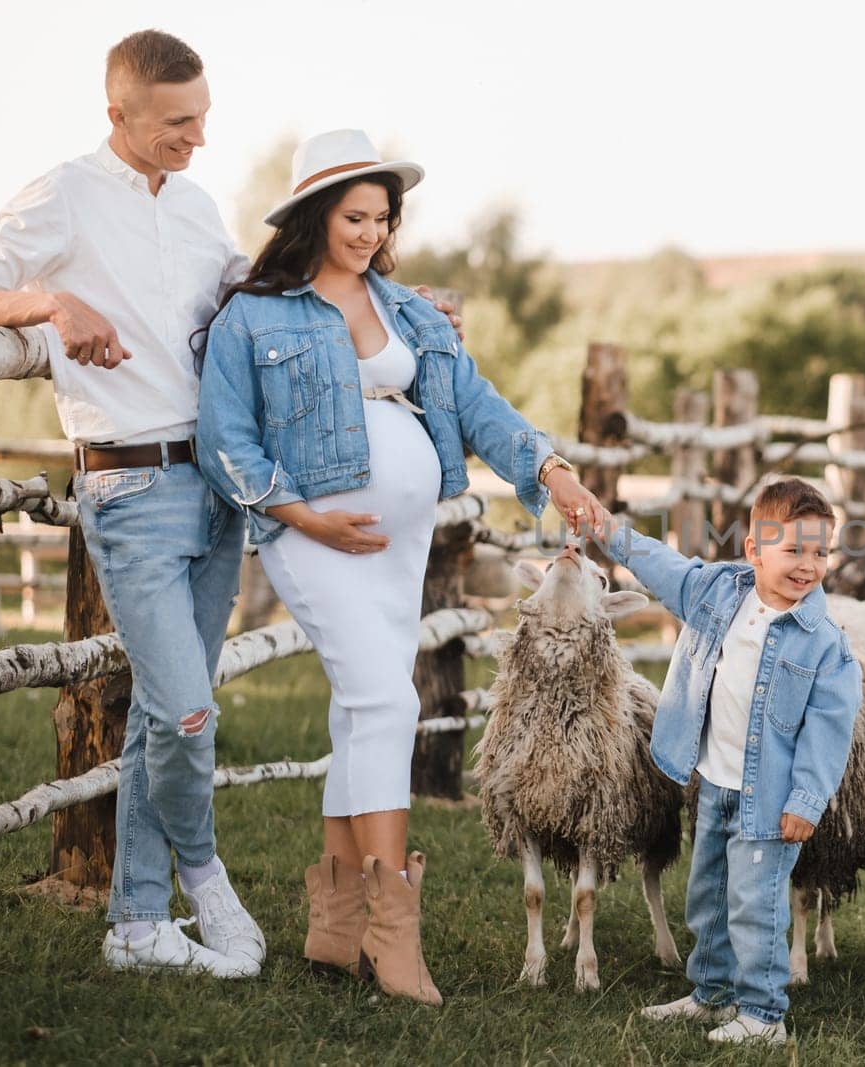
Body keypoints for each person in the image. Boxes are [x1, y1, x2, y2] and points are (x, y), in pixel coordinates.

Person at [194, 128, 609, 1006]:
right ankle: (394, 930)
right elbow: (223, 436)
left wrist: (550, 469)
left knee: (362, 710)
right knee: (389, 699)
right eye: (354, 216)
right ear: (313, 213)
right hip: (311, 534)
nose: (370, 234)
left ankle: (336, 926)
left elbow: (476, 404)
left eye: (382, 219)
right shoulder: (254, 313)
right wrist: (300, 512)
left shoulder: (413, 310)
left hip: (400, 539)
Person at [0, 30, 267, 978]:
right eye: (179, 122)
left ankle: (136, 922)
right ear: (118, 116)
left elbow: (248, 299)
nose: (198, 138)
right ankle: (203, 870)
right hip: (130, 485)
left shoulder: (201, 203)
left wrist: (380, 298)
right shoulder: (64, 194)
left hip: (215, 484)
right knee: (186, 711)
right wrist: (51, 304)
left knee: (157, 713)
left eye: (204, 118)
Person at [597, 478, 861, 1045]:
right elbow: (660, 564)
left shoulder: (824, 644)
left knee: (755, 905)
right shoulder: (718, 594)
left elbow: (828, 731)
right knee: (709, 892)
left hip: (771, 797)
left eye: (820, 553)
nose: (808, 566)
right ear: (754, 550)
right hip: (715, 782)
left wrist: (806, 801)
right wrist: (608, 532)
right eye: (793, 550)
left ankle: (765, 1014)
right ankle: (712, 994)